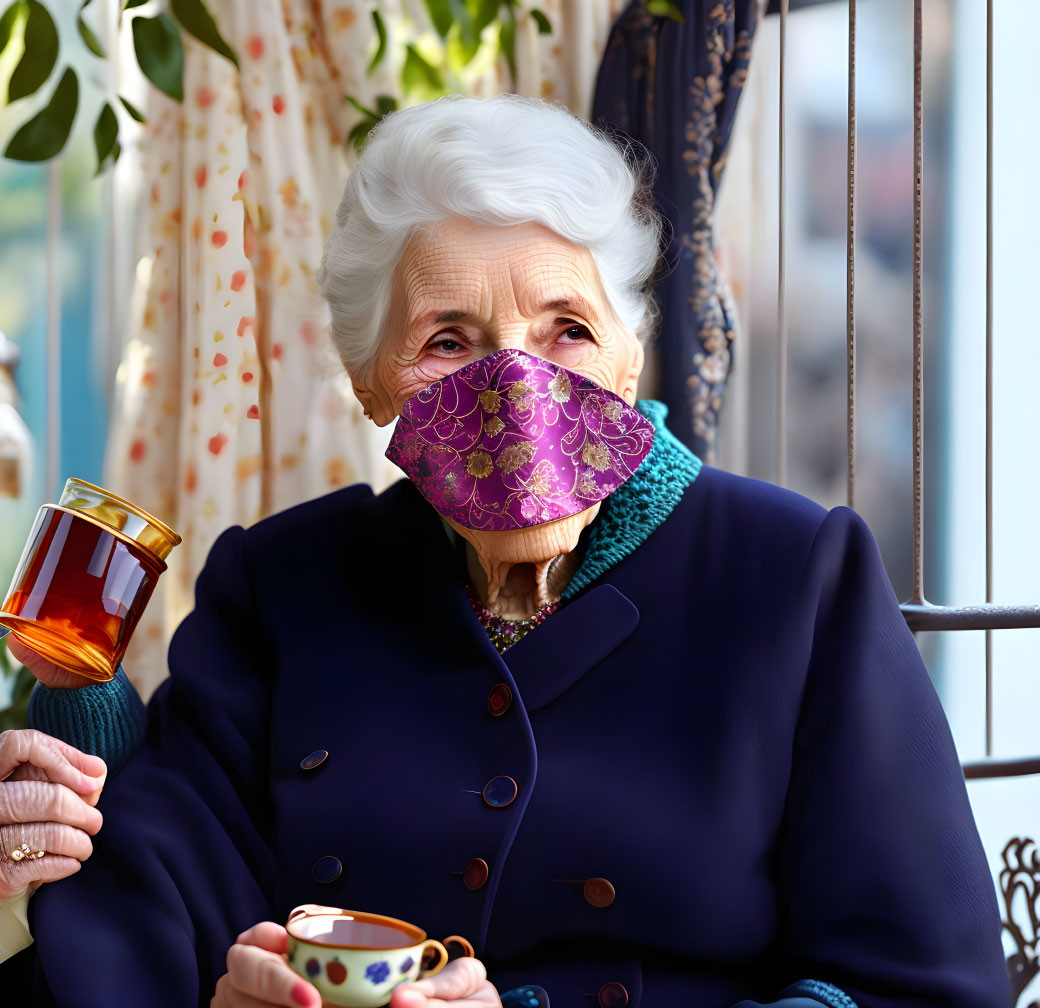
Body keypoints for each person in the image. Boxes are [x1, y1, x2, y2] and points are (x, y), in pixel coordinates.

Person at [0, 95, 1008, 1008]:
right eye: (446, 341)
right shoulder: (281, 583)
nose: (513, 394)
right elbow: (159, 915)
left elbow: (922, 987)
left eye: (564, 328)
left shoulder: (796, 575)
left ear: (628, 351)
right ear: (369, 382)